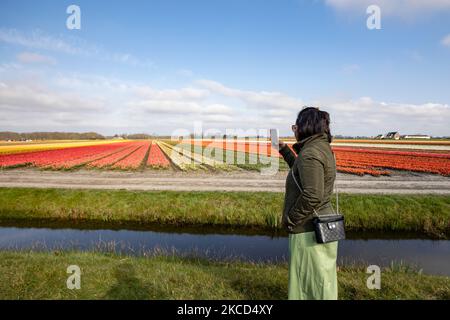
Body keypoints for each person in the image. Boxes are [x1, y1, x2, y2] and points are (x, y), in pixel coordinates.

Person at [278, 106, 338, 300]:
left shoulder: (310, 153)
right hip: (323, 222)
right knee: (321, 276)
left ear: (305, 127)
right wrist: (284, 149)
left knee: (307, 280)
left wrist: (291, 219)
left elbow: (312, 195)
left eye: (295, 126)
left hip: (308, 227)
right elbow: (300, 171)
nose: (294, 130)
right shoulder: (319, 147)